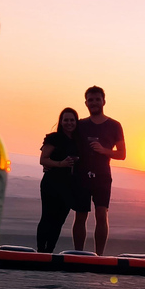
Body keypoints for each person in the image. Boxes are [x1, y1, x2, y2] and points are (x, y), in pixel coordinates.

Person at [72, 86, 126, 255]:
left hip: (102, 176)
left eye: (97, 99)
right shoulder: (80, 124)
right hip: (81, 175)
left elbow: (122, 154)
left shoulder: (115, 125)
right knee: (80, 215)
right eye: (91, 100)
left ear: (104, 101)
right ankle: (78, 255)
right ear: (86, 103)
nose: (94, 103)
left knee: (101, 215)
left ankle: (99, 256)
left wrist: (104, 150)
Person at [37, 107, 79, 253]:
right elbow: (43, 159)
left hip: (69, 185)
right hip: (52, 183)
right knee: (47, 217)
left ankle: (49, 251)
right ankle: (41, 251)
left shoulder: (78, 140)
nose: (69, 123)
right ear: (61, 121)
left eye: (72, 120)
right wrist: (60, 164)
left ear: (76, 122)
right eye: (66, 120)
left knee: (59, 220)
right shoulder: (53, 138)